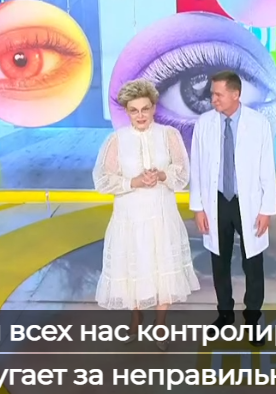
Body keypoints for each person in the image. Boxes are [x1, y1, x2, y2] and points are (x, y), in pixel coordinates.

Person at [92, 79, 200, 351]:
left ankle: (160, 324)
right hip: (129, 217)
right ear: (127, 112)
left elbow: (182, 173)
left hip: (162, 215)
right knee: (134, 266)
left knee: (163, 268)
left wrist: (162, 175)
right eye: (134, 110)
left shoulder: (169, 135)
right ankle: (136, 318)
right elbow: (103, 180)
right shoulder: (117, 140)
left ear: (153, 108)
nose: (140, 115)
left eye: (145, 109)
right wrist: (134, 182)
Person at [188, 70, 276, 346]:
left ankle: (253, 318)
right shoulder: (204, 124)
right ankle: (225, 314)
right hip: (216, 202)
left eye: (218, 94)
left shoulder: (258, 124)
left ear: (236, 94)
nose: (212, 99)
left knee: (253, 262)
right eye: (212, 94)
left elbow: (267, 168)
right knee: (219, 260)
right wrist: (198, 208)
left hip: (247, 202)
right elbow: (197, 167)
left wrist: (266, 209)